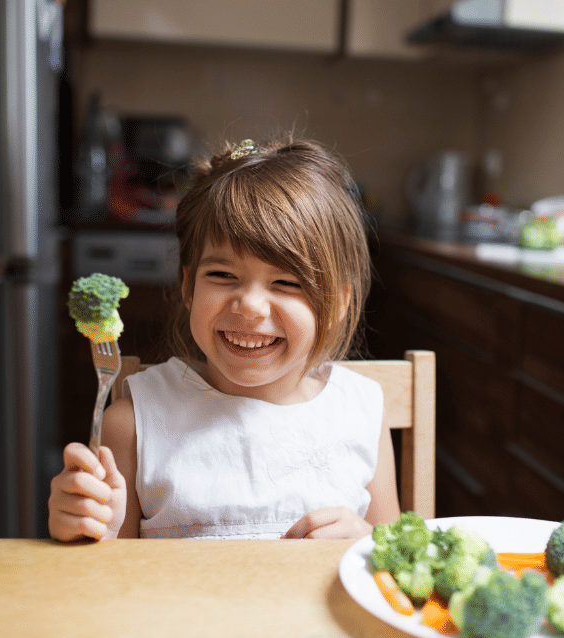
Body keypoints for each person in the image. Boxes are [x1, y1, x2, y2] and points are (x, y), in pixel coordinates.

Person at [48, 138, 400, 541]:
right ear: (188, 287)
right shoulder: (132, 424)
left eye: (286, 282)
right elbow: (101, 582)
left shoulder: (361, 413)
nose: (249, 306)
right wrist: (85, 528)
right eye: (222, 275)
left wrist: (365, 543)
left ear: (338, 304)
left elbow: (399, 568)